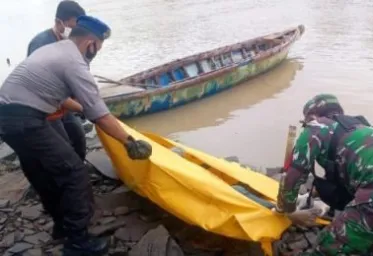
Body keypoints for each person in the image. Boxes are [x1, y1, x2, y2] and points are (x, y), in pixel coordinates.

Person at [0, 15, 152, 256]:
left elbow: (58, 95)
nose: (96, 53)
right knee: (74, 173)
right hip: (28, 120)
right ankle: (78, 242)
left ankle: (62, 227)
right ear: (90, 43)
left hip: (6, 118)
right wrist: (129, 142)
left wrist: (83, 108)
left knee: (41, 172)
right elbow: (99, 115)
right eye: (97, 48)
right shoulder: (74, 61)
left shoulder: (55, 49)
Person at [274, 94, 373, 255]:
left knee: (327, 247)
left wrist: (286, 210)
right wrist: (310, 194)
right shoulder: (359, 126)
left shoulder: (316, 127)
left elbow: (293, 177)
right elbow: (350, 173)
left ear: (312, 116)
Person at [27, 0, 87, 161]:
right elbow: (41, 85)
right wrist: (82, 107)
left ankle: (78, 168)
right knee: (62, 147)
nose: (75, 31)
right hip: (44, 108)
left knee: (79, 138)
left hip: (63, 106)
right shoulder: (41, 44)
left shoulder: (70, 44)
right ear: (59, 22)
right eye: (73, 26)